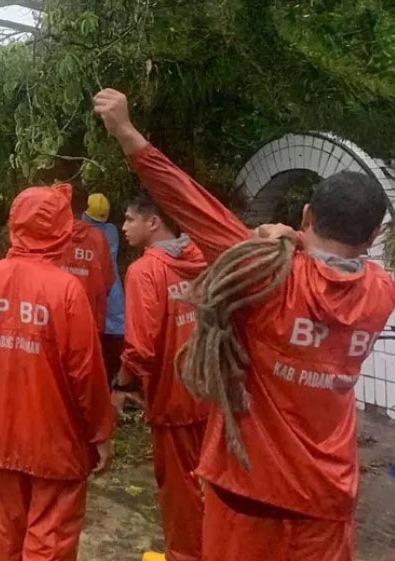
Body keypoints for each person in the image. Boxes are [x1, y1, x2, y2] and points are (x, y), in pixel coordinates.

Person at [94, 88, 394, 561]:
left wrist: (128, 133)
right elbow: (340, 268)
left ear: (306, 213)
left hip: (249, 495)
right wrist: (294, 240)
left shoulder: (266, 276)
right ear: (375, 236)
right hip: (328, 499)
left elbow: (191, 204)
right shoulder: (381, 292)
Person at [0, 185, 115, 561]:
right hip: (55, 436)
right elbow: (86, 372)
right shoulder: (66, 289)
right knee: (49, 539)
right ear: (63, 229)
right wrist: (100, 432)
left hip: (2, 430)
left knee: (6, 531)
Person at [112, 194, 208, 561]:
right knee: (211, 483)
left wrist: (120, 385)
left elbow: (140, 348)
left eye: (129, 219)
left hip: (173, 398)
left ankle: (186, 554)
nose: (123, 227)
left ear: (153, 224)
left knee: (179, 489)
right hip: (210, 391)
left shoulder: (144, 272)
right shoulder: (201, 257)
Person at [59, 188, 115, 334]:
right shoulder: (99, 238)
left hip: (58, 318)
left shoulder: (55, 236)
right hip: (91, 321)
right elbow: (108, 280)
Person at [84, 193, 127, 380]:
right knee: (116, 332)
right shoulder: (111, 230)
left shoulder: (84, 231)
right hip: (113, 288)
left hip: (94, 286)